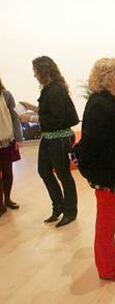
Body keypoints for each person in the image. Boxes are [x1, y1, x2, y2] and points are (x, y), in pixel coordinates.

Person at [74, 58, 115, 283]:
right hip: (108, 175)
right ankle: (107, 268)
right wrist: (94, 173)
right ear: (110, 78)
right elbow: (92, 145)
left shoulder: (108, 101)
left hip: (114, 172)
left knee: (111, 218)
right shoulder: (100, 105)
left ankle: (111, 249)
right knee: (106, 222)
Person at [20, 56, 79, 227]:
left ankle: (70, 211)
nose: (34, 75)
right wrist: (33, 108)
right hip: (50, 138)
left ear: (42, 71)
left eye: (35, 72)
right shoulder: (52, 88)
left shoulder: (55, 90)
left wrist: (32, 117)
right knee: (44, 171)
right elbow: (50, 111)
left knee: (64, 175)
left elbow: (57, 118)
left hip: (59, 138)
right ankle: (59, 207)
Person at [0, 78, 23, 216]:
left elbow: (14, 117)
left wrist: (19, 138)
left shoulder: (7, 95)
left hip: (7, 141)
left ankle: (7, 200)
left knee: (7, 172)